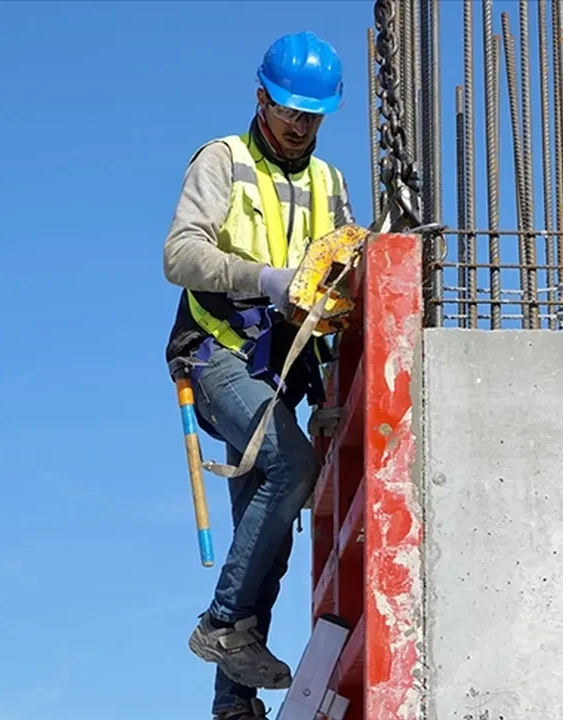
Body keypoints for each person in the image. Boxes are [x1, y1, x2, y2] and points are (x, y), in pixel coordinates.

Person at [161, 30, 355, 720]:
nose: (301, 128)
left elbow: (338, 298)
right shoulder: (226, 160)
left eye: (313, 116)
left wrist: (334, 388)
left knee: (265, 538)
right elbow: (180, 255)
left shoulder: (331, 185)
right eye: (289, 111)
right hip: (218, 358)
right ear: (261, 99)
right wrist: (262, 279)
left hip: (282, 377)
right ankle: (219, 624)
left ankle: (233, 706)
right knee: (287, 464)